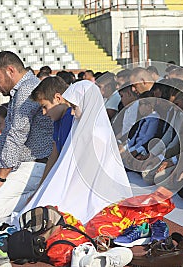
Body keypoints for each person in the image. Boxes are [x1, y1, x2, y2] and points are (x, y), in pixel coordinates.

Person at [19, 80, 132, 224]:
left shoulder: (96, 134)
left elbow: (87, 177)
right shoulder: (79, 126)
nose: (72, 112)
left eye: (74, 107)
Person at [0, 51, 53, 226]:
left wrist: (1, 178)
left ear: (10, 70)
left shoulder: (27, 90)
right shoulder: (19, 91)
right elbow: (6, 135)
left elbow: (16, 136)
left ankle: (43, 197)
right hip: (24, 163)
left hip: (36, 164)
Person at [30, 76, 73, 183]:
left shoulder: (71, 118)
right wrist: (42, 185)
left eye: (45, 107)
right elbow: (55, 152)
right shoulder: (59, 120)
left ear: (58, 98)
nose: (44, 113)